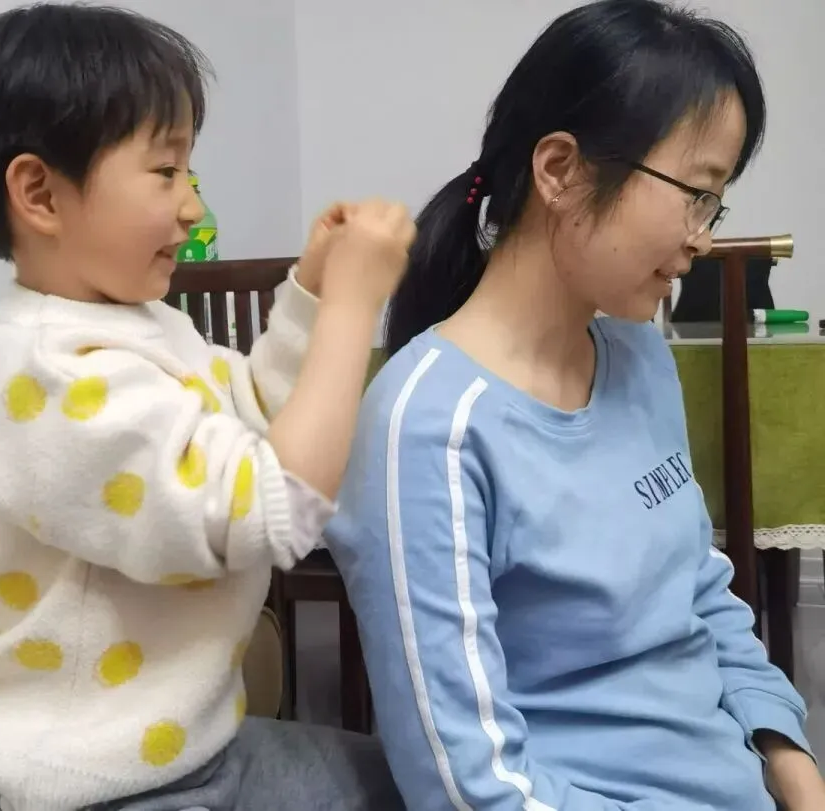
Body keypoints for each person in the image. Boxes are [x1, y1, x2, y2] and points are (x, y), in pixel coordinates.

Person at [324, 1, 823, 809]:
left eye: (715, 204)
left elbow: (699, 589)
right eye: (695, 194)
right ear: (560, 169)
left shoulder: (638, 356)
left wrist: (789, 759)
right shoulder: (428, 426)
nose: (702, 238)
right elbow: (470, 784)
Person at [0, 5, 412, 810]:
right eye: (165, 171)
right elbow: (275, 511)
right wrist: (356, 310)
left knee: (410, 782)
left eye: (191, 172)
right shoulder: (53, 370)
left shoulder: (141, 324)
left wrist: (313, 291)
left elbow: (252, 412)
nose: (192, 206)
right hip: (94, 778)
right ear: (40, 193)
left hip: (191, 747)